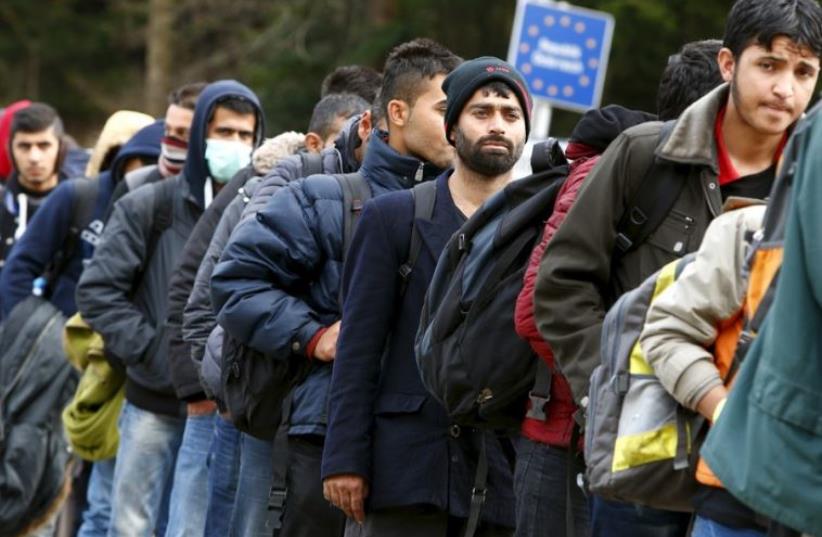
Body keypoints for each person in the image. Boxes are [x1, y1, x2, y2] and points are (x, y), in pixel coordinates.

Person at [532, 0, 822, 535]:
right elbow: (561, 285)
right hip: (649, 456)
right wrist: (609, 388)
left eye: (804, 71)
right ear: (729, 64)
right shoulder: (646, 154)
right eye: (770, 65)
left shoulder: (811, 181)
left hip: (760, 470)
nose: (786, 88)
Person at [211, 38, 461, 537]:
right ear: (397, 111)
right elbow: (235, 281)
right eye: (444, 110)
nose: (457, 126)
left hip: (420, 451)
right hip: (322, 440)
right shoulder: (323, 198)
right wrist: (312, 335)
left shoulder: (462, 211)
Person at [511, 37, 724, 537]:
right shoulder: (625, 168)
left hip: (677, 456)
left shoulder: (741, 187)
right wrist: (613, 402)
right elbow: (536, 308)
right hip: (569, 442)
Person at [322, 55, 533, 537]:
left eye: (510, 114)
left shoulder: (543, 231)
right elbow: (358, 349)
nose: (497, 125)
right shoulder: (392, 219)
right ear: (453, 128)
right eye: (481, 112)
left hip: (501, 476)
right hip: (408, 471)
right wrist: (344, 459)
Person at [164, 91, 368, 537]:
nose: (355, 146)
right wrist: (213, 386)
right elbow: (207, 292)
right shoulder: (270, 189)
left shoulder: (375, 202)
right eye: (343, 137)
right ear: (316, 142)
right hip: (254, 398)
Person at [75, 80, 265, 537]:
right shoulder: (149, 203)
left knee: (194, 526)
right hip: (152, 400)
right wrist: (157, 353)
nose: (235, 145)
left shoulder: (262, 204)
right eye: (224, 133)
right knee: (130, 525)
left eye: (245, 135)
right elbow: (98, 291)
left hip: (217, 407)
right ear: (200, 134)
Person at [0, 103, 67, 271]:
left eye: (44, 145)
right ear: (10, 149)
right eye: (24, 146)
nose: (34, 157)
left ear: (61, 147)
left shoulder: (82, 203)